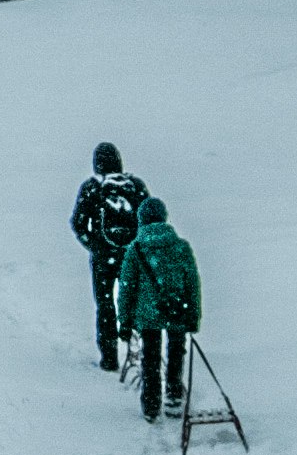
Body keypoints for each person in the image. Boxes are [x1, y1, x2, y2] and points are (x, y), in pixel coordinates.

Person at [118, 193, 202, 425]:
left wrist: (124, 321)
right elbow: (192, 284)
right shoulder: (181, 247)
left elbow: (126, 288)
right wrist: (193, 316)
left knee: (150, 358)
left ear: (141, 220)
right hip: (177, 310)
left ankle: (151, 405)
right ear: (165, 218)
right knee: (176, 353)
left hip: (148, 315)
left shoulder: (136, 249)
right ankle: (174, 397)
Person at [71, 144, 147, 373]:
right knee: (133, 303)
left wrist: (94, 246)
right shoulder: (135, 186)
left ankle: (109, 358)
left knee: (105, 306)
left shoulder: (92, 187)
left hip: (103, 259)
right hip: (130, 258)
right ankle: (141, 354)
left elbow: (78, 223)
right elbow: (149, 219)